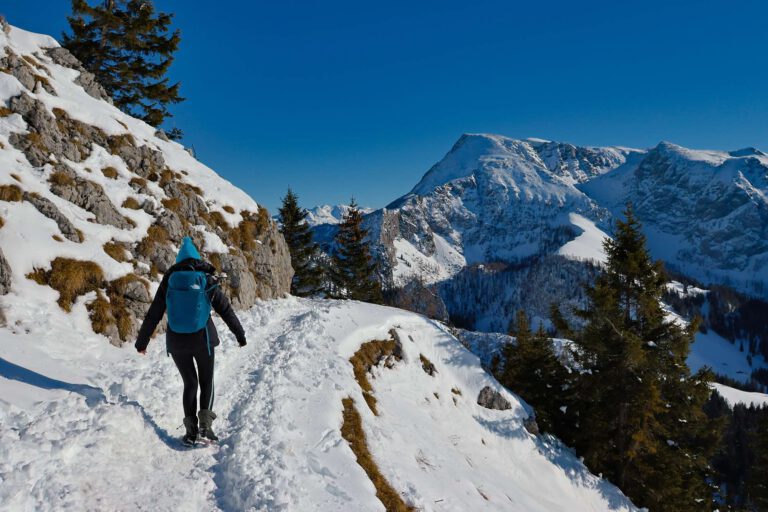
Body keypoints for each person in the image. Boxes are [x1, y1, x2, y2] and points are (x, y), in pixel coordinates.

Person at [135, 236, 247, 446]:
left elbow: (154, 314)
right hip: (203, 340)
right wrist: (239, 335)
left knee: (190, 383)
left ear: (179, 260)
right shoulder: (205, 278)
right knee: (207, 381)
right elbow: (225, 309)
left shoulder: (169, 280)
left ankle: (190, 432)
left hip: (177, 342)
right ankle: (206, 426)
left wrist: (141, 343)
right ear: (196, 258)